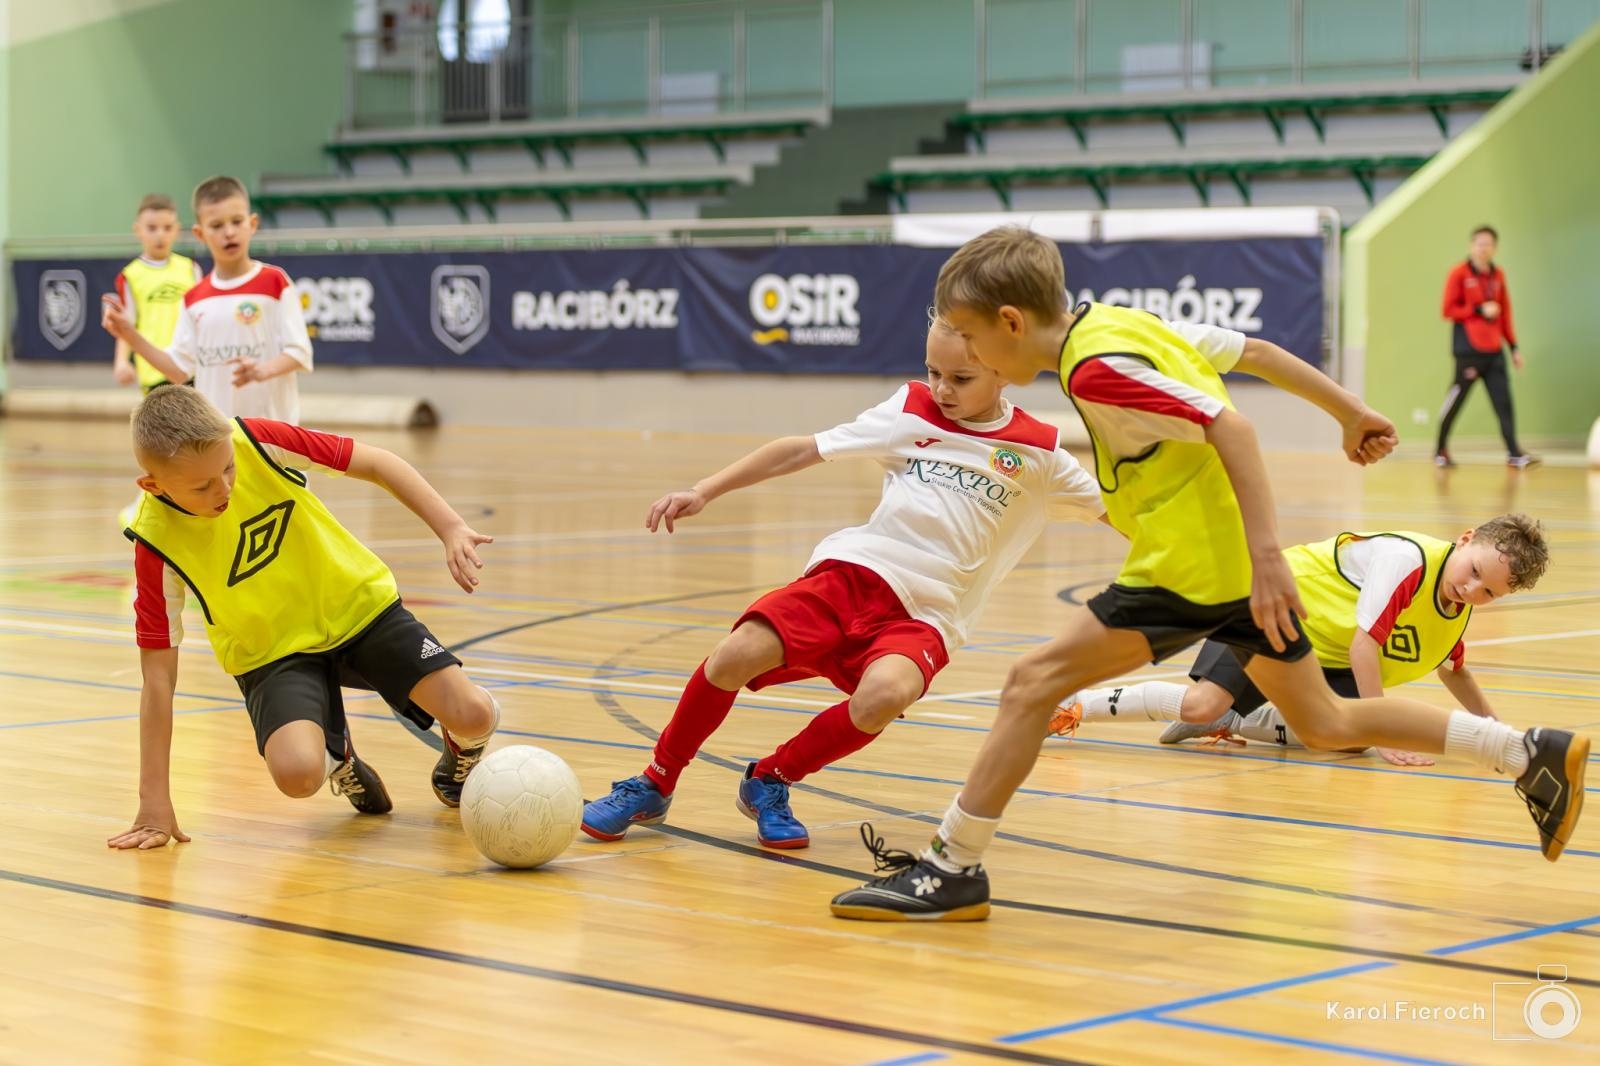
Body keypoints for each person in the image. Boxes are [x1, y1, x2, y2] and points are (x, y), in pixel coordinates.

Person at [829, 228, 1587, 922]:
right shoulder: (1118, 323)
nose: (969, 352)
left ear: (1011, 322)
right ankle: (1526, 751)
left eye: (969, 335)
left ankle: (952, 867)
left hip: (1191, 570)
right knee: (1326, 723)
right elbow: (1253, 352)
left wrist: (1266, 558)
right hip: (1221, 567)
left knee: (1030, 684)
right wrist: (1350, 411)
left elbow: (1231, 423)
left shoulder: (1097, 371)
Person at [580, 316, 1107, 849]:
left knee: (884, 695)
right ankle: (655, 781)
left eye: (961, 378)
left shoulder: (1040, 452)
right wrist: (705, 490)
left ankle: (770, 779)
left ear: (1005, 372)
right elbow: (802, 449)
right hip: (852, 575)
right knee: (735, 654)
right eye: (933, 371)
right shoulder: (910, 410)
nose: (943, 389)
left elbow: (1120, 514)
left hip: (927, 615)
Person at [107, 386, 500, 851]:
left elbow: (375, 462)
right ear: (152, 485)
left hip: (358, 609)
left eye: (228, 468)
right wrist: (154, 800)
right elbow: (157, 679)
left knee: (473, 714)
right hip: (273, 654)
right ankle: (339, 757)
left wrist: (450, 526)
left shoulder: (256, 440)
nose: (225, 488)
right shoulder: (154, 542)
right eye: (203, 485)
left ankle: (463, 748)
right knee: (297, 775)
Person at [1055, 515, 1548, 767]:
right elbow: (1364, 648)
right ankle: (1076, 705)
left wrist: (1499, 731)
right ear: (1463, 540)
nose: (1470, 590)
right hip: (1267, 602)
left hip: (1319, 652)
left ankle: (1240, 719)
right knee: (1202, 704)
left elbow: (1453, 669)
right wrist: (1385, 735)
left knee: (1344, 737)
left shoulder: (1457, 608)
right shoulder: (1409, 560)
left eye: (1489, 592)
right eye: (1474, 572)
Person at [101, 176, 311, 424]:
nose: (229, 232)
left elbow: (299, 352)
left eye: (237, 221)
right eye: (217, 225)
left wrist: (262, 370)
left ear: (252, 224)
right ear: (200, 233)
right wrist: (128, 334)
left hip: (274, 440)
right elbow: (178, 370)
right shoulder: (193, 298)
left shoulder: (275, 282)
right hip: (218, 442)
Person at [1436, 225, 1536, 469]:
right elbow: (1448, 310)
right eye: (1479, 243)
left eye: (1488, 244)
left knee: (1504, 402)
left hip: (1494, 352)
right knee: (1456, 400)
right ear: (1472, 246)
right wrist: (1479, 309)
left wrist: (1513, 347)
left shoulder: (1498, 275)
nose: (1484, 248)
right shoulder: (1459, 273)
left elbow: (1505, 313)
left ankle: (1514, 452)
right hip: (1469, 352)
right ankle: (1440, 450)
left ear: (1495, 248)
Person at [111, 193, 202, 394]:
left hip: (190, 367)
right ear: (138, 230)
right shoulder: (130, 275)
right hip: (153, 371)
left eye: (167, 228)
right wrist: (121, 362)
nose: (160, 235)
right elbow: (126, 325)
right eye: (152, 228)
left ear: (177, 230)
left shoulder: (190, 268)